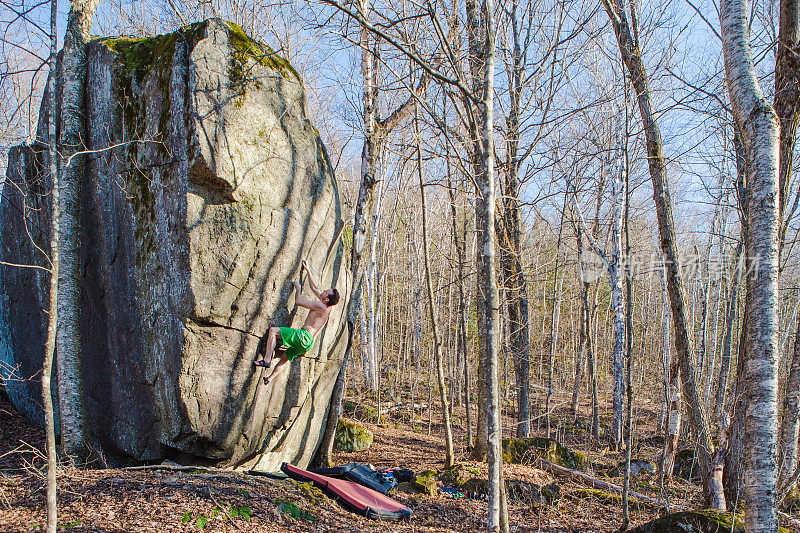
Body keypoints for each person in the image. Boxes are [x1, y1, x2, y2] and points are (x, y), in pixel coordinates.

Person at [253, 260, 340, 385]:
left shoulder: (320, 305)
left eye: (326, 292)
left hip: (303, 336)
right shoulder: (328, 308)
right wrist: (308, 270)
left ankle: (267, 359)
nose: (324, 290)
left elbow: (299, 301)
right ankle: (269, 378)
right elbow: (315, 288)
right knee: (284, 358)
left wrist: (298, 288)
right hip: (308, 343)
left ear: (326, 299)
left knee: (273, 331)